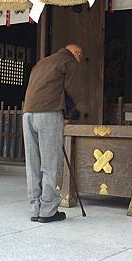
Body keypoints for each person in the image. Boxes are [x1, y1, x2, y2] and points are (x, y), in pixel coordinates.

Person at [23, 44, 82, 223]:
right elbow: (72, 90)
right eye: (81, 55)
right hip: (48, 113)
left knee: (32, 163)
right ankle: (48, 211)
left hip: (28, 113)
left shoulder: (42, 63)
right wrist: (70, 114)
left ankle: (35, 209)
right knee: (50, 164)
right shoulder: (69, 61)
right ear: (77, 53)